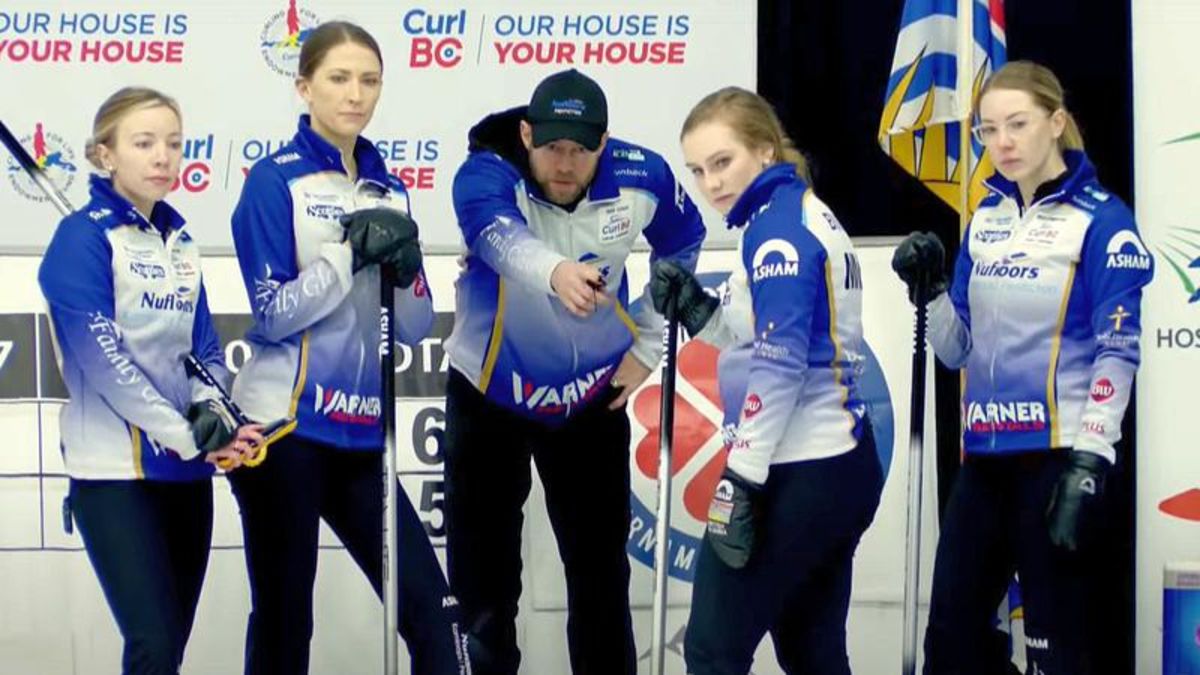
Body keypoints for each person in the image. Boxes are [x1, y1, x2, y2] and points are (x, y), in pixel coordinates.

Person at [892, 60, 1154, 675]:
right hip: (984, 461)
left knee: (1056, 650)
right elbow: (958, 350)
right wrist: (928, 292)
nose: (1002, 142)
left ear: (1056, 122)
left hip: (1058, 460)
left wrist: (1091, 461)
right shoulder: (985, 219)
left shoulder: (1101, 219)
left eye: (1018, 124)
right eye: (988, 131)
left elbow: (1119, 351)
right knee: (952, 644)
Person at [443, 67, 706, 674]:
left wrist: (647, 345)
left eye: (582, 150)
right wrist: (555, 272)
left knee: (600, 578)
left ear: (604, 145)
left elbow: (685, 244)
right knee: (483, 587)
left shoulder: (645, 176)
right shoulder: (486, 171)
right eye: (553, 147)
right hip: (490, 394)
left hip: (589, 399)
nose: (565, 163)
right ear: (528, 135)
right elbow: (494, 236)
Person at [227, 21, 466, 675]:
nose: (355, 94)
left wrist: (405, 266)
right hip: (283, 432)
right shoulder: (273, 183)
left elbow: (415, 324)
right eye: (338, 78)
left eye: (369, 79)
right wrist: (346, 253)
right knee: (285, 621)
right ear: (305, 87)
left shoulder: (390, 187)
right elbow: (274, 316)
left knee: (441, 619)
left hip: (362, 435)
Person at [648, 86, 883, 674]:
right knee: (811, 651)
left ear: (766, 151)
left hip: (797, 465)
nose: (711, 184)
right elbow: (762, 342)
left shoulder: (776, 231)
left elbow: (780, 365)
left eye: (723, 162)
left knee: (712, 650)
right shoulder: (795, 213)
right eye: (698, 171)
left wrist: (741, 481)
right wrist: (702, 312)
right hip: (835, 466)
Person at [38, 86, 263, 674]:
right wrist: (190, 434)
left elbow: (204, 350)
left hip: (184, 473)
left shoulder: (180, 242)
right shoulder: (80, 239)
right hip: (113, 476)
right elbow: (104, 362)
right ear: (105, 154)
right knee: (153, 644)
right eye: (144, 143)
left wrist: (219, 418)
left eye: (173, 143)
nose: (163, 156)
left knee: (168, 653)